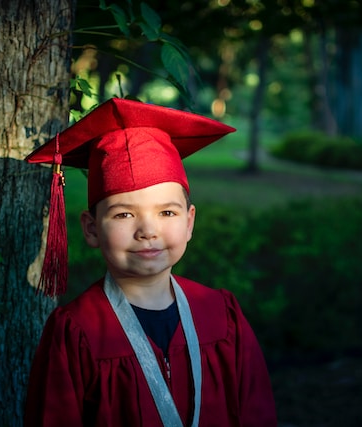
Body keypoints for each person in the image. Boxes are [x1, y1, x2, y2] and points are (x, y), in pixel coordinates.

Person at [23, 97, 277, 427]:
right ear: (91, 229)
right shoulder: (75, 330)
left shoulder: (222, 315)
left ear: (189, 222)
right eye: (124, 214)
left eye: (167, 212)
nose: (147, 231)